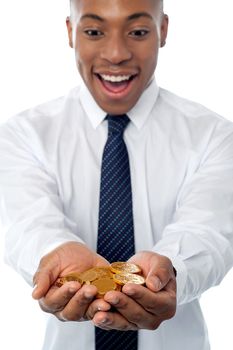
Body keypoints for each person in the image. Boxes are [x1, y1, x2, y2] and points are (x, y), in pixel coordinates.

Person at [0, 0, 233, 349]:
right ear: (70, 32)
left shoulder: (215, 136)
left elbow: (208, 230)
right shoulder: (23, 135)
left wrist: (169, 269)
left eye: (138, 32)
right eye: (94, 31)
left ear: (163, 30)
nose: (116, 53)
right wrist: (54, 253)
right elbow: (27, 222)